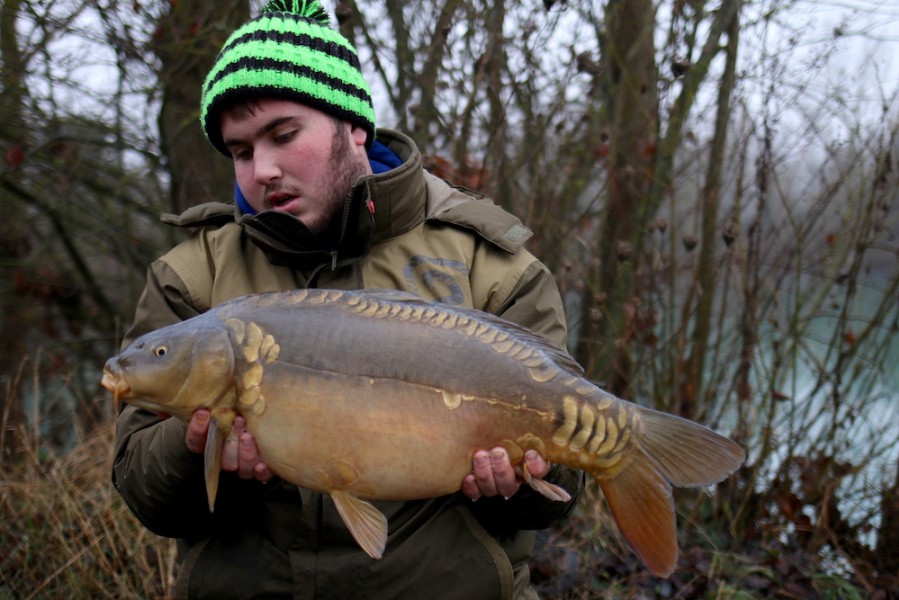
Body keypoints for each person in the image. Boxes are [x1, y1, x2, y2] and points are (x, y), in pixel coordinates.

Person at [112, 1, 582, 598]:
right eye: (241, 151)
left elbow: (561, 494)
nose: (264, 170)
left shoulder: (489, 265)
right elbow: (143, 493)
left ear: (352, 126)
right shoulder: (191, 276)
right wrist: (197, 448)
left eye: (284, 134)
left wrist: (517, 483)